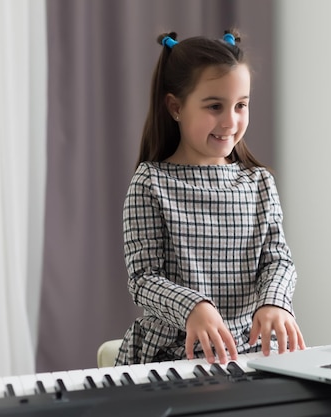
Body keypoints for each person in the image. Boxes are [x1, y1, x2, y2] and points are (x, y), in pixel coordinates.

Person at [115, 29, 305, 366]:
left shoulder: (259, 183)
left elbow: (277, 260)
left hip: (251, 352)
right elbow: (143, 279)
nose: (230, 121)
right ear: (175, 107)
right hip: (174, 356)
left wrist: (274, 302)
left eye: (241, 105)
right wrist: (194, 308)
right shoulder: (150, 183)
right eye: (214, 106)